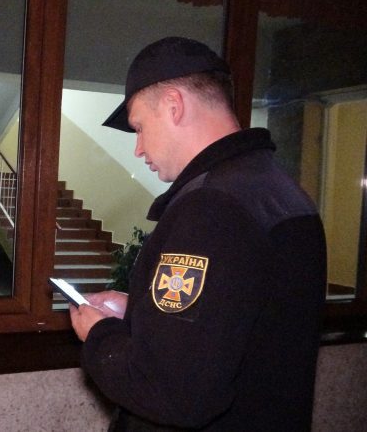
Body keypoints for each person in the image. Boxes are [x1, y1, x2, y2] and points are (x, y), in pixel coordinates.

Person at [69, 37, 327, 431]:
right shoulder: (280, 190)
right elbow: (238, 325)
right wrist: (141, 311)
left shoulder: (212, 207)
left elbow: (172, 391)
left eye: (139, 127)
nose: (138, 149)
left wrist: (100, 335)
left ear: (173, 105)